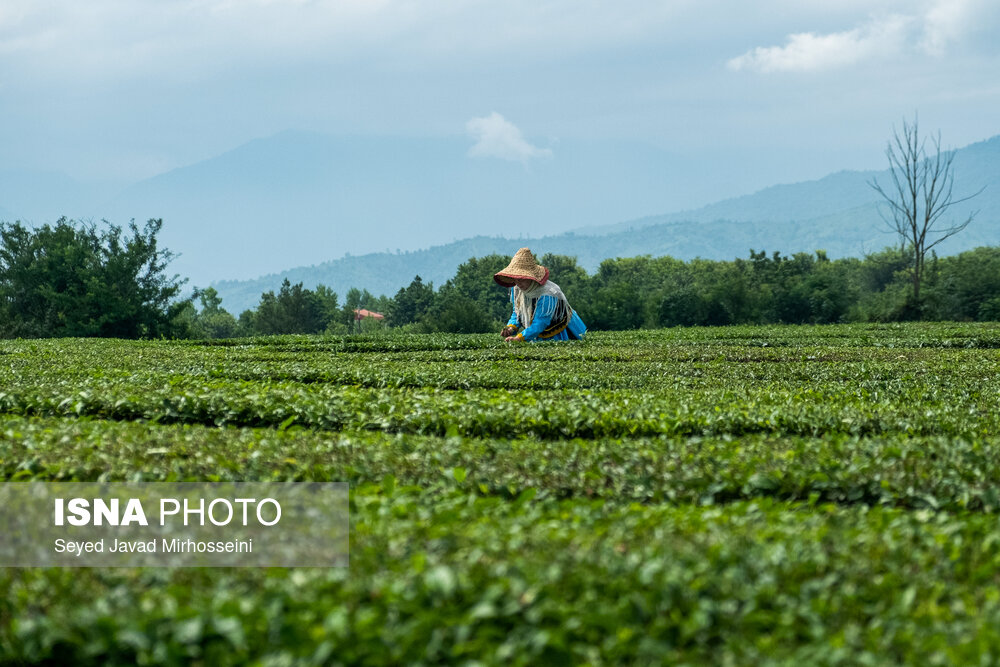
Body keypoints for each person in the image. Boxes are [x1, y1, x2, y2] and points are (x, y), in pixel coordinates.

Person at [493, 248, 587, 342]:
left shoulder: (548, 293)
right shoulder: (517, 289)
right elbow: (517, 312)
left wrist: (518, 338)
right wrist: (511, 328)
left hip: (559, 330)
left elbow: (541, 322)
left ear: (531, 278)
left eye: (521, 279)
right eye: (515, 279)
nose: (518, 283)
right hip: (535, 331)